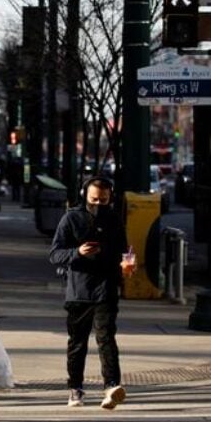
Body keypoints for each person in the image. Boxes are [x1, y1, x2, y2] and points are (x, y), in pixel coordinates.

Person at [48, 176, 135, 410]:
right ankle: (75, 388)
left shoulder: (114, 220)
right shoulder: (71, 218)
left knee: (106, 338)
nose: (99, 204)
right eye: (94, 199)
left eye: (104, 200)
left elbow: (125, 250)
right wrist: (77, 252)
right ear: (85, 194)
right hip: (79, 290)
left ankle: (112, 386)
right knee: (77, 342)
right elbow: (55, 254)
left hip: (106, 287)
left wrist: (127, 264)